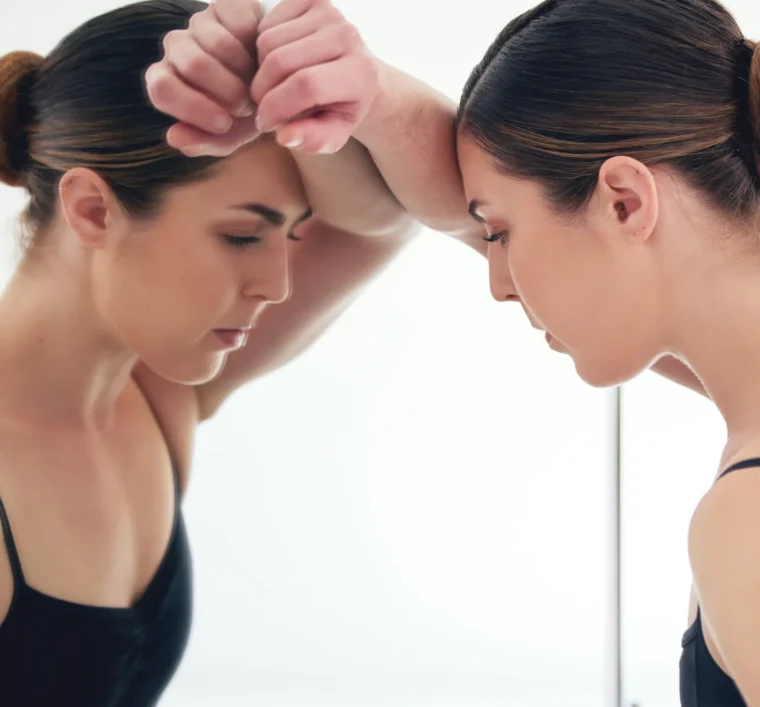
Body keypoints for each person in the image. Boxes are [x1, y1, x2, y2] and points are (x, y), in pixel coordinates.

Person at [152, 0, 760, 706]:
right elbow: (461, 196)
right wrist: (363, 93)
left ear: (621, 200)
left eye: (500, 234)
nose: (496, 278)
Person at [0, 0, 461, 703]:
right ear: (92, 209)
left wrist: (337, 83)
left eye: (292, 235)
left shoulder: (154, 395)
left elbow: (389, 218)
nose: (278, 284)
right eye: (244, 236)